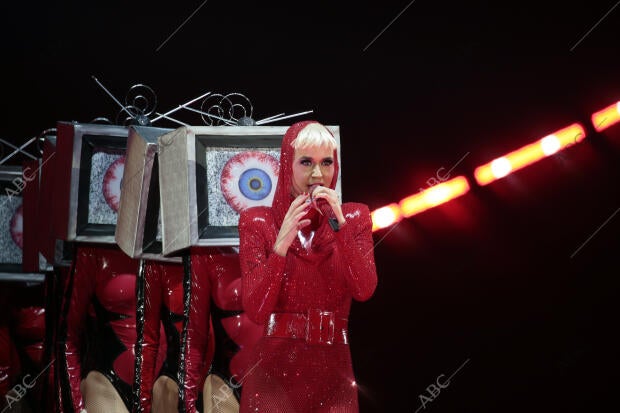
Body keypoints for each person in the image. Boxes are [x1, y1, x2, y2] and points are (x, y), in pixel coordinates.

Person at [238, 120, 378, 412]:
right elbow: (256, 309)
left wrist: (340, 228)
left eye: (327, 162)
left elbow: (364, 289)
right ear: (287, 164)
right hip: (273, 378)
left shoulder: (355, 217)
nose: (318, 174)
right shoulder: (257, 221)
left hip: (334, 375)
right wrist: (281, 244)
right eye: (306, 162)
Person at [57, 244, 165, 413]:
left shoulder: (172, 245)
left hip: (162, 382)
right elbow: (67, 336)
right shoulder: (92, 249)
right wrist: (75, 407)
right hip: (105, 381)